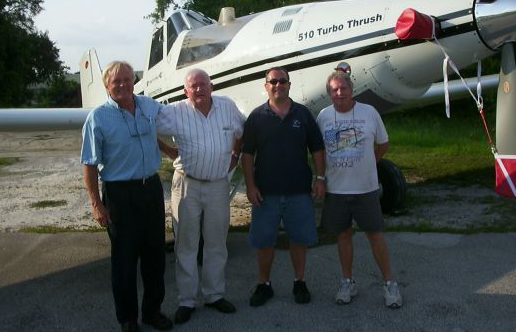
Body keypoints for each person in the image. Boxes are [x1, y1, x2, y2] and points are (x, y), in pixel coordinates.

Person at [81, 61, 173, 332]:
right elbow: (88, 163)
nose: (122, 85)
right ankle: (128, 319)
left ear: (135, 81)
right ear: (107, 86)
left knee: (155, 254)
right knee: (124, 259)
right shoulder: (97, 117)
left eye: (126, 79)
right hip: (120, 193)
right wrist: (96, 204)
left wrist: (168, 149)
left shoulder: (148, 105)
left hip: (150, 188)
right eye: (116, 81)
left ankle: (152, 311)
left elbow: (148, 133)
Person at [156, 68, 245, 325]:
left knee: (217, 242)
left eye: (202, 85)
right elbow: (146, 123)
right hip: (187, 185)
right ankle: (186, 300)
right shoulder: (175, 111)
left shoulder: (227, 107)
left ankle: (214, 295)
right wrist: (167, 150)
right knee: (187, 243)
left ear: (211, 86)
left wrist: (235, 156)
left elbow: (241, 132)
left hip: (218, 185)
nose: (198, 90)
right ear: (186, 91)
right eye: (193, 86)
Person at [315, 70, 402, 308]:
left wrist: (370, 162)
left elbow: (383, 144)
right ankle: (347, 282)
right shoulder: (323, 116)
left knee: (375, 235)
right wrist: (320, 177)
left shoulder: (369, 113)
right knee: (343, 236)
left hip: (366, 189)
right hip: (337, 191)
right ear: (329, 93)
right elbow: (319, 151)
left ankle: (389, 284)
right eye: (334, 90)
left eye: (343, 89)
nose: (339, 93)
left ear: (351, 90)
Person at [241, 67, 326, 307]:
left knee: (298, 240)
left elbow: (317, 148)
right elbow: (247, 154)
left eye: (282, 81)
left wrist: (321, 178)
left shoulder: (303, 114)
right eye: (273, 82)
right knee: (264, 242)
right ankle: (264, 284)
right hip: (265, 194)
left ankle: (299, 282)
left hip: (298, 192)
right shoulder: (256, 117)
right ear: (265, 85)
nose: (278, 85)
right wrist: (250, 185)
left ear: (289, 84)